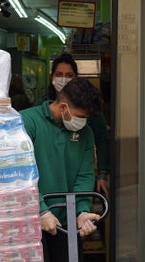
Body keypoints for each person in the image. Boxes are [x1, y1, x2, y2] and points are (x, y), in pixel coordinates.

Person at [20, 76, 102, 262]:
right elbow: (20, 172)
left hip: (66, 225)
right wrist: (41, 210)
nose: (82, 122)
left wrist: (82, 211)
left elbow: (85, 174)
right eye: (80, 115)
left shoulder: (85, 134)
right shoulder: (28, 121)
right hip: (30, 223)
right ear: (64, 107)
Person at [44, 54, 111, 200]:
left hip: (77, 182)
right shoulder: (39, 112)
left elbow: (102, 141)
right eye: (59, 74)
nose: (63, 79)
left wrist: (102, 174)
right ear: (51, 77)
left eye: (69, 75)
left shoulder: (88, 112)